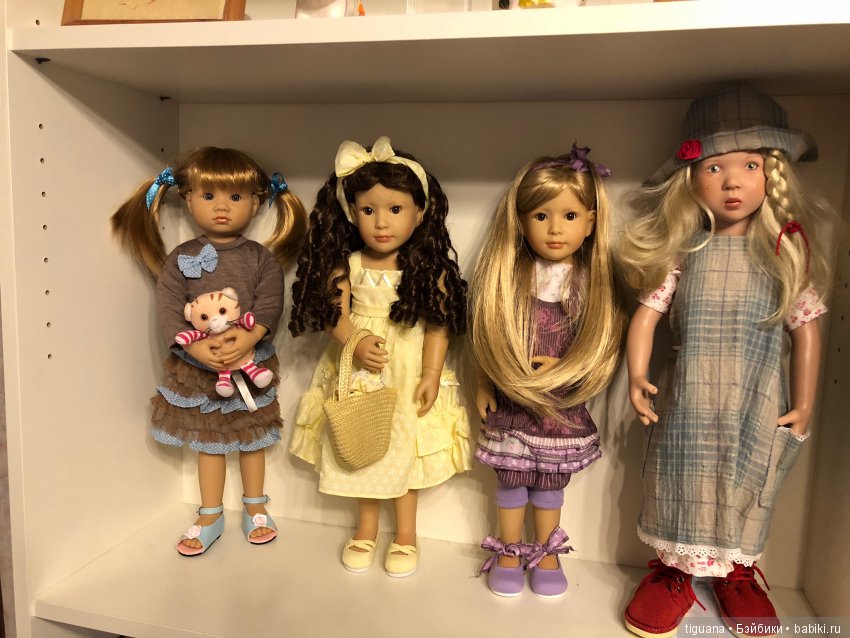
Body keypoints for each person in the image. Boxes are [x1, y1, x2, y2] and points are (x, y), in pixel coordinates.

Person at [619, 84, 836, 637]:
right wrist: (637, 376)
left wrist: (805, 403)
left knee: (751, 481)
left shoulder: (782, 252)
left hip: (756, 398)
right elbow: (646, 315)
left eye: (749, 166)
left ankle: (736, 574)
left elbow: (807, 329)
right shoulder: (684, 252)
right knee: (677, 478)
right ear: (691, 179)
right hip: (690, 396)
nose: (732, 182)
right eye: (714, 168)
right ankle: (673, 572)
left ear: (772, 175)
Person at [288, 136, 470, 578]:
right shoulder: (347, 264)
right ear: (352, 213)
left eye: (395, 209)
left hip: (407, 371)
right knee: (360, 447)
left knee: (403, 451)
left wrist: (431, 372)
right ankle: (366, 528)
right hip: (358, 371)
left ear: (420, 212)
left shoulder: (426, 270)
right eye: (368, 210)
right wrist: (354, 339)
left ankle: (406, 534)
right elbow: (335, 315)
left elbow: (438, 325)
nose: (381, 222)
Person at [112, 147, 306, 556]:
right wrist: (198, 348)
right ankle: (210, 513)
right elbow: (169, 310)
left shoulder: (260, 258)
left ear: (256, 202)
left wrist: (250, 338)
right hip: (198, 369)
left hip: (249, 362)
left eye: (235, 197)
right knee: (208, 442)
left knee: (252, 438)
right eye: (208, 195)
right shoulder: (180, 258)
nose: (222, 207)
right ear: (188, 198)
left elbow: (271, 302)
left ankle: (256, 506)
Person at [471, 144, 625, 598]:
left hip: (560, 406)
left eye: (570, 216)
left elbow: (599, 344)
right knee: (511, 481)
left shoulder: (591, 285)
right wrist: (484, 381)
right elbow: (488, 333)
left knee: (549, 487)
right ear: (521, 222)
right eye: (541, 216)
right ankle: (508, 551)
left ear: (591, 222)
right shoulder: (509, 279)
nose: (555, 229)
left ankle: (547, 553)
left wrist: (567, 368)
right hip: (512, 403)